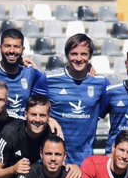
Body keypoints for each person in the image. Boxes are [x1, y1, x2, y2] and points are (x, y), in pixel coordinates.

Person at [45, 33, 110, 165]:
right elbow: (31, 105)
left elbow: (110, 105)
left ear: (90, 56)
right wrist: (48, 118)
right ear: (67, 55)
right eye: (74, 54)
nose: (79, 58)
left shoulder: (100, 83)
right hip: (52, 160)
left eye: (84, 54)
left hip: (84, 161)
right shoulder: (49, 79)